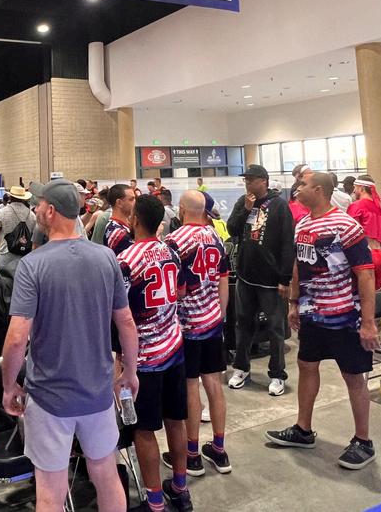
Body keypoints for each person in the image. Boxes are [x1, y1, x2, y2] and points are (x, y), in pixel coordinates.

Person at [2, 178, 139, 512]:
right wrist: (130, 371)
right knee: (106, 475)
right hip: (98, 393)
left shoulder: (32, 265)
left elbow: (17, 337)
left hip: (49, 396)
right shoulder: (106, 257)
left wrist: (8, 386)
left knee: (51, 490)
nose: (35, 209)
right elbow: (126, 322)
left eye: (38, 204)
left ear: (50, 211)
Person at [265, 171, 379, 469]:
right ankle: (303, 430)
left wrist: (368, 322)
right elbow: (298, 266)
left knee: (353, 376)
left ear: (318, 190)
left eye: (303, 185)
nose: (297, 188)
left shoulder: (345, 225)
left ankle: (363, 441)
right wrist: (294, 302)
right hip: (311, 314)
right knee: (306, 365)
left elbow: (365, 274)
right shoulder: (303, 224)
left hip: (344, 316)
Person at [117, 195, 191, 512]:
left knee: (144, 430)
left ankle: (155, 501)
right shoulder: (171, 251)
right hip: (173, 347)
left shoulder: (125, 260)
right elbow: (182, 290)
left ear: (134, 219)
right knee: (176, 421)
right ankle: (180, 489)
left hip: (144, 358)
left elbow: (119, 313)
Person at [163, 190, 231, 477]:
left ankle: (192, 454)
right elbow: (223, 281)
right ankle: (219, 448)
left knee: (191, 386)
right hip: (212, 320)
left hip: (187, 325)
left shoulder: (173, 241)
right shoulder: (216, 237)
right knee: (214, 383)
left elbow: (174, 289)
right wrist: (220, 315)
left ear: (181, 209)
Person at [226, 165, 295, 396]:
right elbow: (232, 229)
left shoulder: (279, 205)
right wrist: (245, 210)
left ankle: (277, 374)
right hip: (246, 277)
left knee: (275, 328)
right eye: (245, 180)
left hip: (270, 280)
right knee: (243, 324)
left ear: (263, 181)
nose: (247, 183)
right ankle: (241, 368)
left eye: (251, 179)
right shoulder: (243, 202)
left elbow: (287, 243)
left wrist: (285, 278)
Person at [0, 185, 35, 276]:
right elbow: (34, 236)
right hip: (25, 255)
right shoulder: (32, 215)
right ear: (23, 198)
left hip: (6, 254)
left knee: (4, 281)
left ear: (10, 197)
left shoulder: (1, 213)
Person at [347, 176, 381, 248]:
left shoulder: (356, 206)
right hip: (379, 251)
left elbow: (349, 234)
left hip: (363, 252)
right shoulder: (379, 208)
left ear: (362, 188)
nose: (354, 191)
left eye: (355, 187)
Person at [103, 183, 136, 254]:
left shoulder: (121, 226)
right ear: (119, 203)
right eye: (131, 199)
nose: (135, 202)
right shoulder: (118, 233)